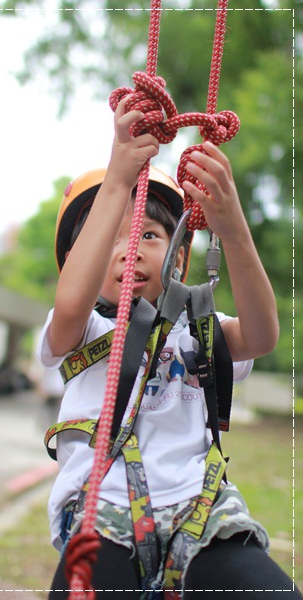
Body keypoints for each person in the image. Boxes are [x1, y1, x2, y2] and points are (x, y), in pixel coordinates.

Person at [38, 97, 301, 599]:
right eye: (108, 238)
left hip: (199, 513)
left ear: (180, 256)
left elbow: (263, 336)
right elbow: (71, 301)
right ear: (78, 260)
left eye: (150, 234)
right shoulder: (82, 329)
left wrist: (233, 229)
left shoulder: (197, 326)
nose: (129, 247)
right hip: (102, 512)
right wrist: (117, 179)